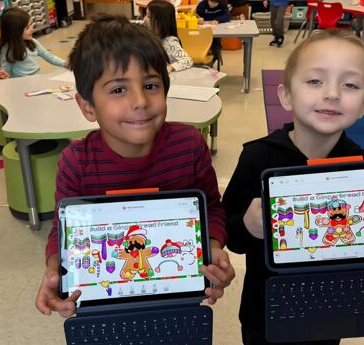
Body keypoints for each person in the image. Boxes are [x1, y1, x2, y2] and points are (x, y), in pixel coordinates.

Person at [222, 29, 364, 345]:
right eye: (315, 81)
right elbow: (232, 236)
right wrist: (249, 224)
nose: (332, 93)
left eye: (350, 85)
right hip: (264, 311)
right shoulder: (258, 156)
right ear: (287, 94)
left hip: (331, 310)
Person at [34, 15, 235, 317]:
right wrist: (55, 270)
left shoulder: (189, 145)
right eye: (118, 90)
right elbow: (64, 231)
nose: (140, 101)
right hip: (105, 301)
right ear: (87, 105)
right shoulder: (77, 162)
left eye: (151, 85)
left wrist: (214, 247)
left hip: (176, 296)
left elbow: (213, 209)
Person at [0, 7, 66, 79]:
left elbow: (48, 56)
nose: (32, 29)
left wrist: (66, 64)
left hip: (37, 81)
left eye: (30, 25)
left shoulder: (33, 42)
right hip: (20, 86)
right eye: (27, 28)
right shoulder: (8, 49)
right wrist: (5, 75)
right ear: (15, 31)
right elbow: (5, 71)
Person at [145, 0, 193, 73]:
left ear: (161, 22)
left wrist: (170, 67)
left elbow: (187, 61)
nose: (144, 19)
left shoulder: (170, 42)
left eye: (149, 16)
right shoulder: (153, 38)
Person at [196, 0, 231, 66]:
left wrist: (218, 20)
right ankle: (202, 60)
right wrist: (198, 20)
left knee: (215, 45)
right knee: (201, 44)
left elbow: (228, 16)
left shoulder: (222, 4)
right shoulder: (202, 5)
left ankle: (212, 59)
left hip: (216, 31)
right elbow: (196, 16)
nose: (213, 6)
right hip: (203, 32)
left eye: (215, 4)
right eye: (211, 3)